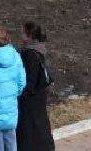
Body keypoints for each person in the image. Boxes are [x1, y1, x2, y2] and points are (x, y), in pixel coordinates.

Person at [16, 21, 54, 150]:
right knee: (40, 123)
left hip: (33, 97)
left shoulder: (30, 53)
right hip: (40, 93)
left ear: (29, 35)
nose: (21, 34)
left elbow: (30, 79)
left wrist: (22, 96)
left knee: (30, 127)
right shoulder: (38, 48)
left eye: (23, 32)